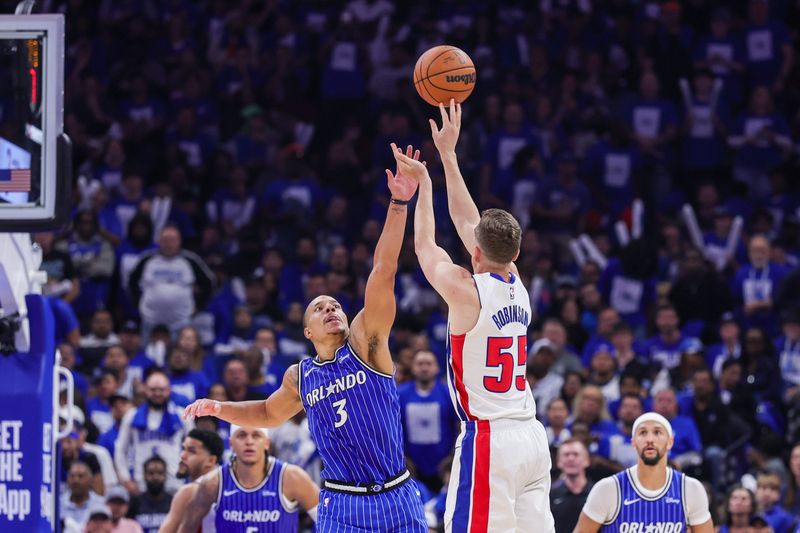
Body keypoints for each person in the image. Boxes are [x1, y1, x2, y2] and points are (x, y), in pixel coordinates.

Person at [182, 148, 427, 531]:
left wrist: (398, 202)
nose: (331, 309)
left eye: (335, 305)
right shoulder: (301, 375)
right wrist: (218, 408)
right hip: (340, 502)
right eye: (319, 308)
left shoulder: (366, 344)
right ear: (307, 331)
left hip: (394, 494)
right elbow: (266, 414)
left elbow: (383, 270)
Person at [393, 101, 553, 531]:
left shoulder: (467, 292)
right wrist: (448, 155)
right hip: (533, 438)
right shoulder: (517, 281)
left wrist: (425, 183)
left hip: (491, 442)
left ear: (475, 253)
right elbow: (469, 222)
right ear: (514, 253)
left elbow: (425, 248)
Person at [573, 412, 714, 533]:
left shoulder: (690, 489)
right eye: (643, 433)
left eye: (657, 432)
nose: (650, 439)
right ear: (633, 442)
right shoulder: (607, 489)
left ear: (670, 442)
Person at [177, 426, 319, 532]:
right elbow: (186, 528)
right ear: (231, 444)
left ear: (267, 443)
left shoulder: (292, 477)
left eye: (256, 435)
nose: (249, 441)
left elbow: (331, 519)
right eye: (242, 435)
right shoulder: (213, 482)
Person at [157, 429, 225, 533]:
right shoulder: (232, 485)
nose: (183, 455)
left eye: (191, 451)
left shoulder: (189, 491)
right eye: (183, 449)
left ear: (211, 460)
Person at [550, 439, 594, 533]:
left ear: (587, 460)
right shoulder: (549, 496)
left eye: (576, 454)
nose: (571, 458)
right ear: (558, 462)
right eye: (566, 454)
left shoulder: (597, 493)